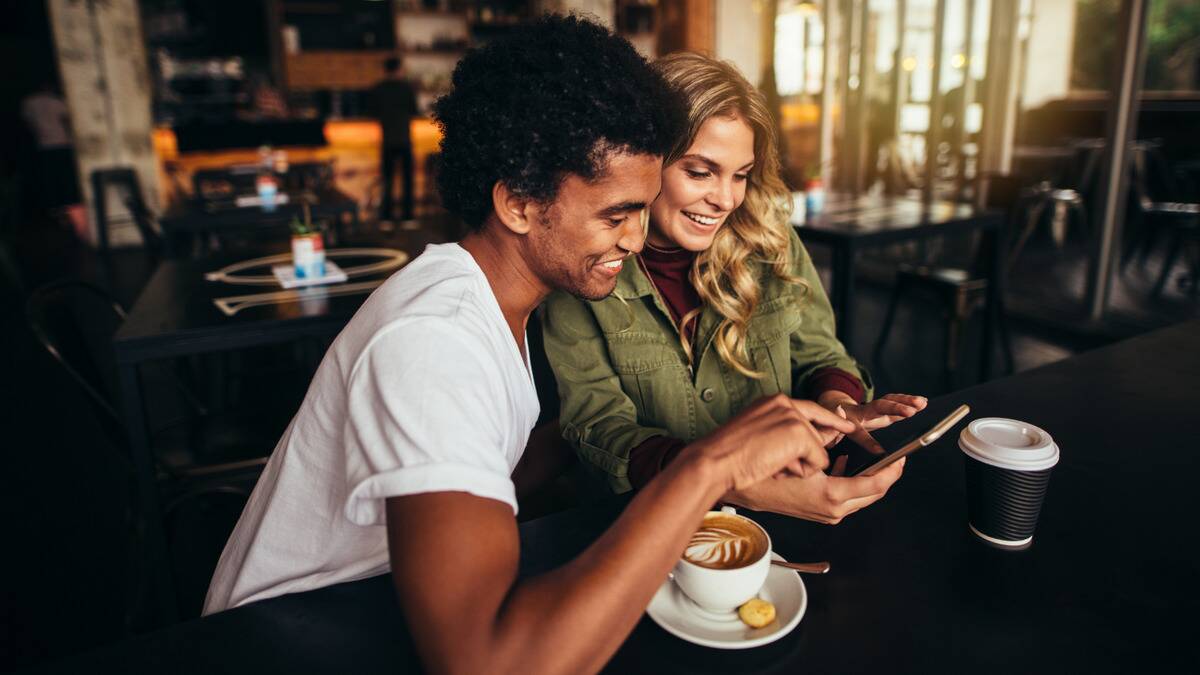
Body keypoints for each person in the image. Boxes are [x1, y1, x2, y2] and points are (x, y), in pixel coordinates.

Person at [204, 17, 856, 674]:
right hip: (285, 641)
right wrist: (711, 464)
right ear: (519, 203)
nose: (635, 240)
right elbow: (491, 664)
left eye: (643, 209)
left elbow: (500, 456)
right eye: (615, 213)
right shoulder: (432, 344)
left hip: (373, 614)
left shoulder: (491, 304)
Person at [542, 52, 926, 525]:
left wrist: (836, 408)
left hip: (784, 516)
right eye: (700, 171)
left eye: (740, 175)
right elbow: (599, 427)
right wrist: (736, 482)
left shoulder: (770, 238)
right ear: (644, 160)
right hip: (642, 528)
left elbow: (821, 354)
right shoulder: (585, 266)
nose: (724, 199)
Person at [367, 55, 418, 223]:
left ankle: (386, 218)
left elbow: (371, 112)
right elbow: (413, 111)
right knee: (407, 181)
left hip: (387, 140)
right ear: (399, 69)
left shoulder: (378, 89)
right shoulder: (407, 88)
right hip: (404, 138)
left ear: (385, 70)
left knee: (387, 181)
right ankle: (408, 217)